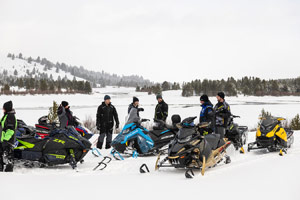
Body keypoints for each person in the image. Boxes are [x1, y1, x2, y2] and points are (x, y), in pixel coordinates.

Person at [0, 101, 17, 172]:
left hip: (8, 141)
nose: (2, 109)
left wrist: (6, 140)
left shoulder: (10, 116)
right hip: (2, 139)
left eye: (3, 108)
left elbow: (10, 130)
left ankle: (8, 173)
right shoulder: (6, 115)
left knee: (8, 157)